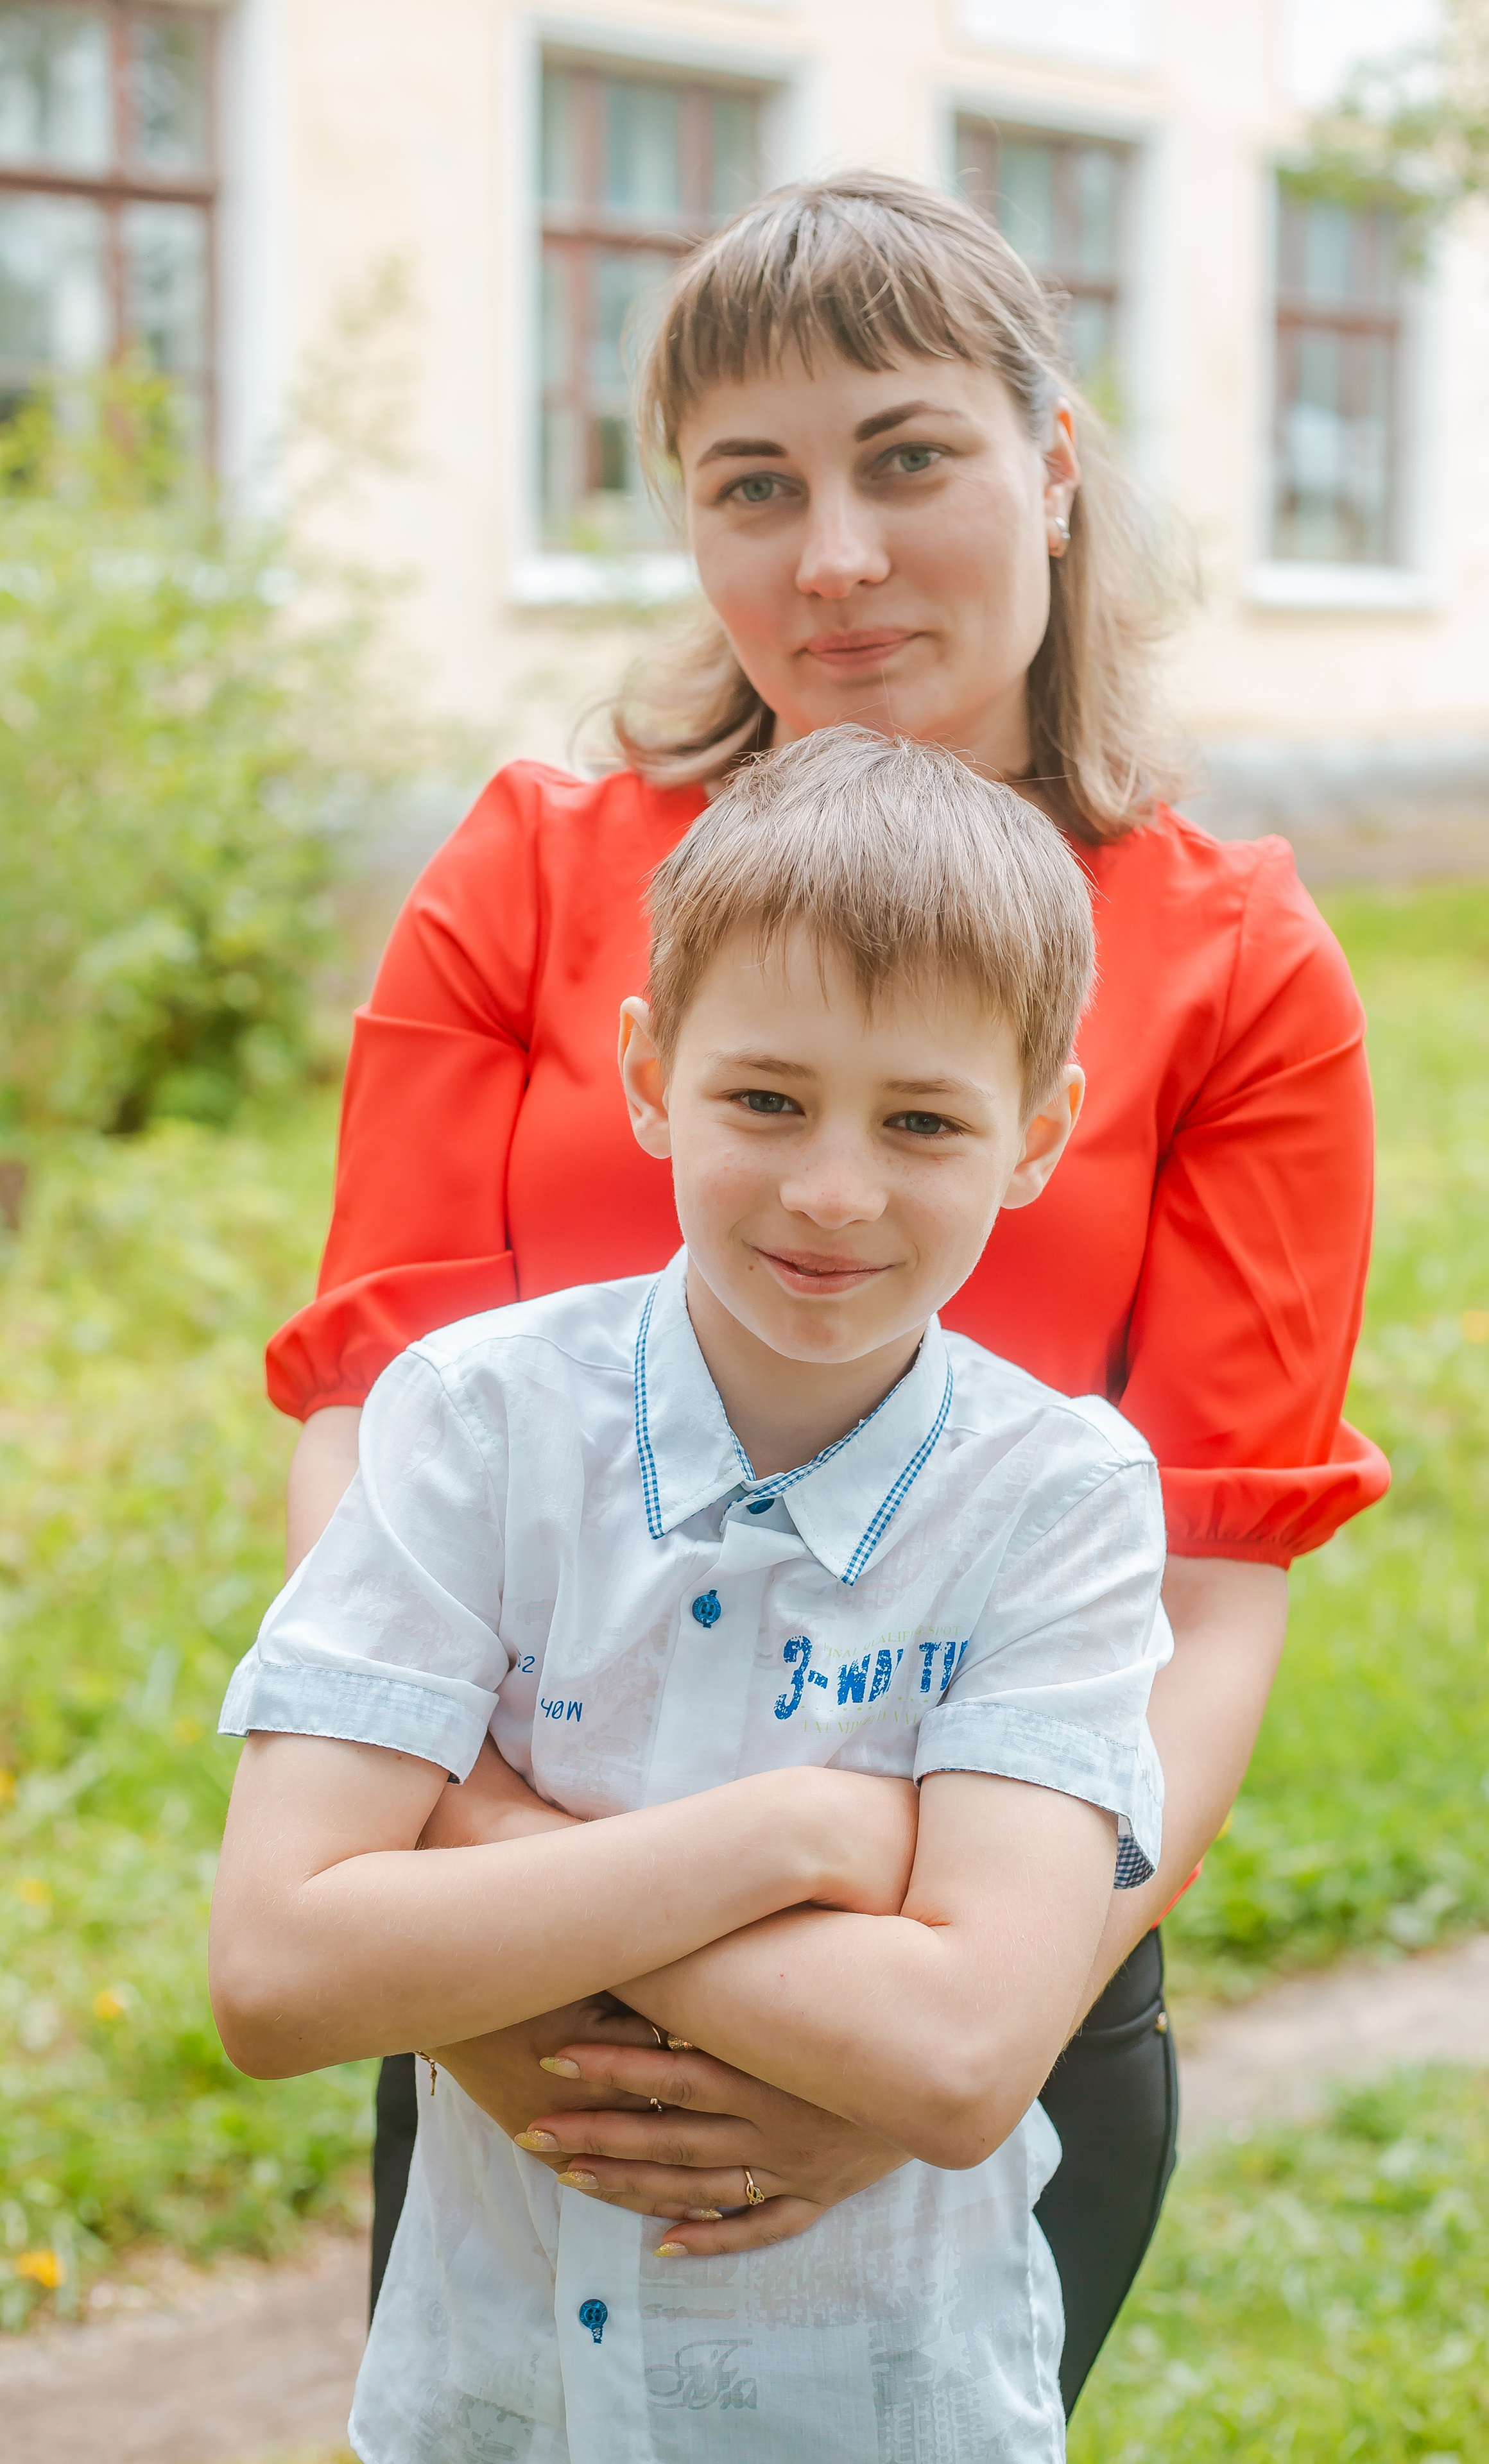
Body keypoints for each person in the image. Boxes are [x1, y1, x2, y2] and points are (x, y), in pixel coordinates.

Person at [266, 171, 1388, 2403]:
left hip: (986, 1974)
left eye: (906, 458)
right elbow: (368, 1429)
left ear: (1050, 467)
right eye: (751, 487)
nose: (836, 557)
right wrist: (522, 1969)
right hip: (507, 1970)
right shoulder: (525, 872)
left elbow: (1218, 1585)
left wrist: (943, 2024)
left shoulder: (1244, 962)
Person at [213, 730, 1175, 2463]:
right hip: (496, 2408)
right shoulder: (471, 1420)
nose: (832, 1189)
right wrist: (798, 1838)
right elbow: (280, 1969)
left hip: (885, 2413)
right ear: (650, 1076)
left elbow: (962, 2064)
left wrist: (488, 1852)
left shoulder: (1066, 1501)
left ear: (1035, 1140)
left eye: (925, 1121)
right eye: (766, 1100)